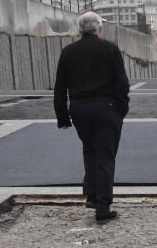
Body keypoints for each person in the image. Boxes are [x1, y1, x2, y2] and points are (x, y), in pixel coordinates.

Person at [53, 11, 130, 223]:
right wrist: (121, 109)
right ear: (98, 28)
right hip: (106, 108)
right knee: (106, 155)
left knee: (89, 150)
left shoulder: (68, 52)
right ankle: (103, 208)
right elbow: (121, 84)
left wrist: (62, 117)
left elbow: (60, 87)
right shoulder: (110, 49)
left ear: (80, 29)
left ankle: (92, 195)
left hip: (79, 109)